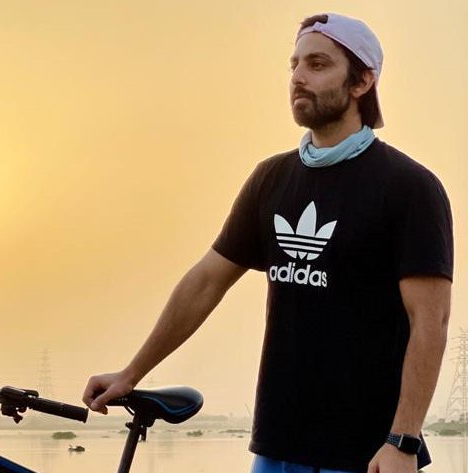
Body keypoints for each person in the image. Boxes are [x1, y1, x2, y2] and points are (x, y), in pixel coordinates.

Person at [82, 13, 453, 473]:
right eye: (294, 64)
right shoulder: (271, 179)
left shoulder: (409, 187)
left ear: (362, 81)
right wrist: (131, 372)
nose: (298, 76)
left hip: (365, 453)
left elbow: (430, 321)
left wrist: (403, 441)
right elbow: (205, 282)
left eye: (318, 64)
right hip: (277, 445)